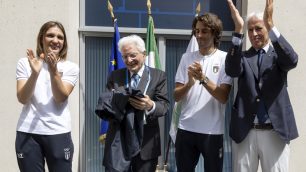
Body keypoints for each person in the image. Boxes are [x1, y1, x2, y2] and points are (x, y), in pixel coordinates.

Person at [226, 0, 299, 171]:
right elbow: (231, 70)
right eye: (250, 30)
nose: (254, 33)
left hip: (275, 131)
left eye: (259, 28)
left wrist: (271, 24)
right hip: (246, 131)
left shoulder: (278, 56)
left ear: (266, 28)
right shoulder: (242, 56)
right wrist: (238, 30)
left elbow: (292, 60)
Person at [95, 34, 169, 172]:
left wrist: (150, 105)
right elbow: (106, 104)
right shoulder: (115, 76)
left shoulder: (159, 76)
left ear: (144, 54)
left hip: (146, 144)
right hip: (119, 141)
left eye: (133, 55)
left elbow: (164, 106)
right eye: (124, 56)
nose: (128, 60)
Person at [15, 21, 79, 172]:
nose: (55, 40)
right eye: (50, 35)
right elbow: (22, 98)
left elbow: (60, 98)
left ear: (64, 42)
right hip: (28, 133)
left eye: (60, 37)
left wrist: (53, 70)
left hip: (58, 133)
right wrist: (35, 73)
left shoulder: (71, 67)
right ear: (41, 38)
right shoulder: (25, 63)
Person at [174, 13, 232, 172]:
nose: (199, 35)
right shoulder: (187, 57)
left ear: (214, 33)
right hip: (186, 129)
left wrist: (202, 78)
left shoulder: (224, 59)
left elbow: (223, 97)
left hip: (212, 132)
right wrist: (189, 84)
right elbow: (176, 96)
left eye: (204, 31)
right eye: (196, 31)